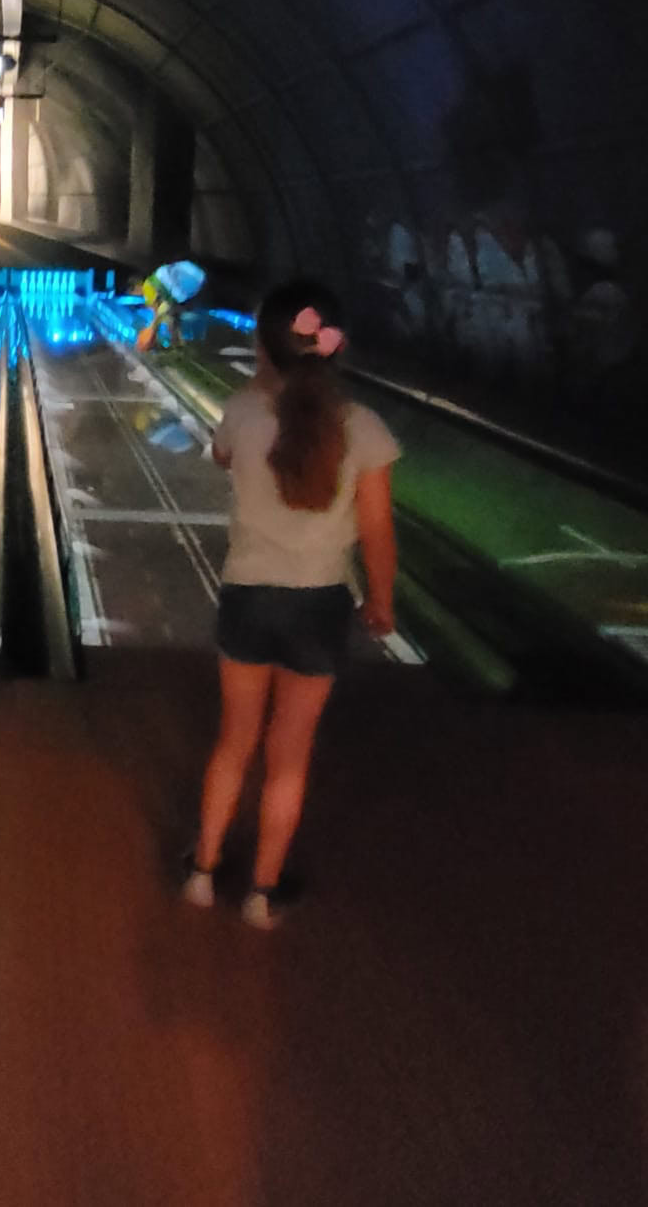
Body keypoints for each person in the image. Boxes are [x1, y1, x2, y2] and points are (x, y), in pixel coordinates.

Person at [182, 280, 398, 929]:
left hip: (248, 598)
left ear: (264, 347)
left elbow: (222, 457)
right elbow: (377, 530)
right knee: (289, 755)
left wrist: (258, 394)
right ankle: (262, 893)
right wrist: (381, 601)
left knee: (234, 742)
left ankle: (202, 873)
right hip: (319, 605)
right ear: (335, 348)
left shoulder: (243, 412)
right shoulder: (364, 429)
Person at [139, 258, 207, 349]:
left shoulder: (151, 287)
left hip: (170, 289)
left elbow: (160, 310)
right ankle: (176, 343)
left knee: (167, 317)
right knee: (169, 318)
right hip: (174, 290)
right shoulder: (157, 286)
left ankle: (175, 343)